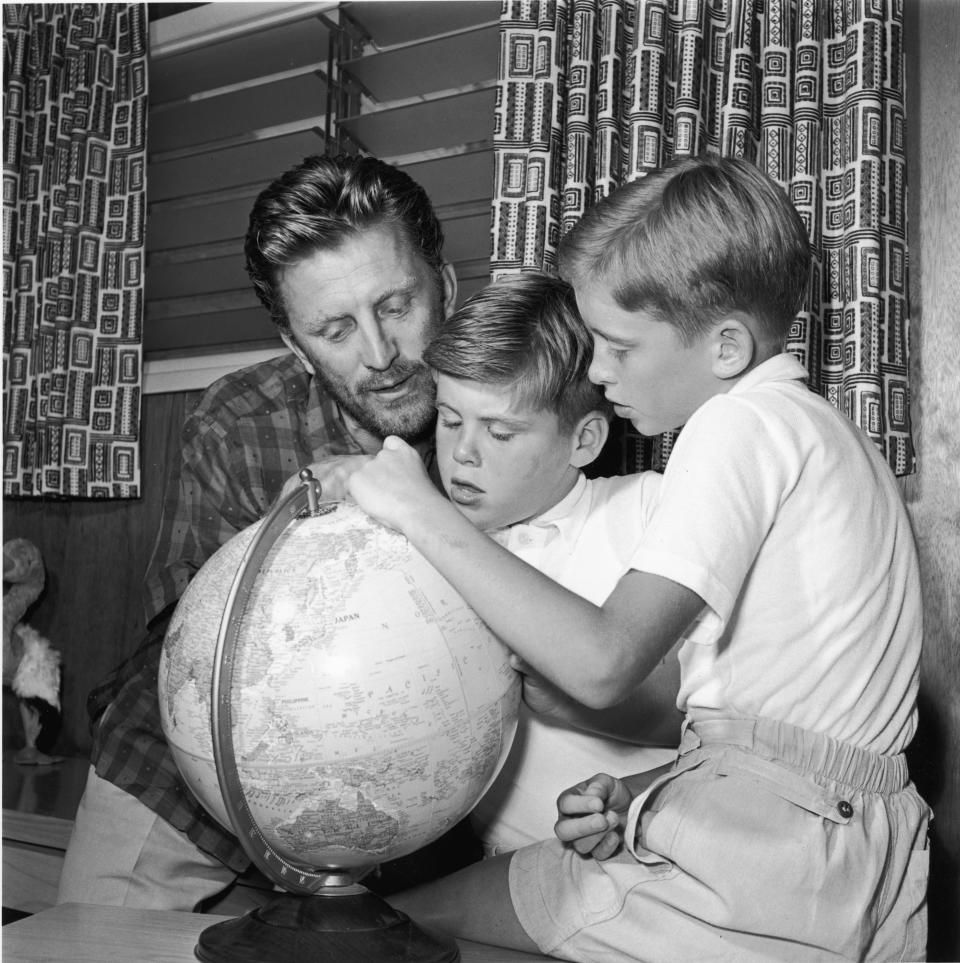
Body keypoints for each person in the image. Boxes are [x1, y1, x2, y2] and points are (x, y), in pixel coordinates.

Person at [348, 155, 932, 961]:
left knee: (386, 927)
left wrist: (417, 508)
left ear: (725, 345)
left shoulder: (737, 426)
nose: (596, 370)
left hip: (770, 862)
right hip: (846, 851)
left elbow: (603, 663)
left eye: (618, 346)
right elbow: (804, 739)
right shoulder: (833, 436)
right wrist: (643, 790)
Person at [57, 153, 472, 911]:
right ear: (294, 344)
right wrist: (286, 552)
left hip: (422, 791)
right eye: (336, 328)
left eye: (398, 305)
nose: (379, 356)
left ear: (444, 286)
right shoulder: (236, 421)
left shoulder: (525, 408)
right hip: (189, 780)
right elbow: (181, 647)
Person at [423, 273, 681, 856]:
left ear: (583, 441)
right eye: (449, 418)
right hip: (505, 872)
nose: (462, 452)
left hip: (664, 844)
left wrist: (570, 700)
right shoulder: (420, 550)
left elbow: (716, 715)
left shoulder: (650, 508)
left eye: (500, 431)